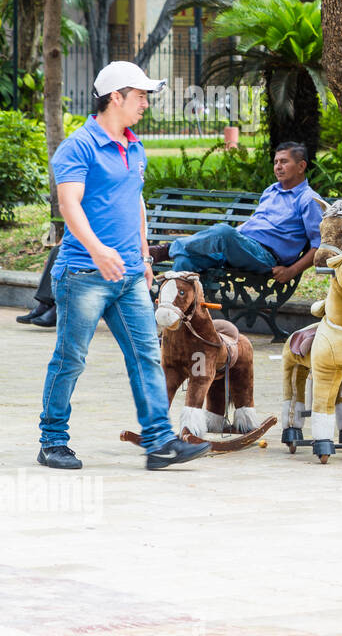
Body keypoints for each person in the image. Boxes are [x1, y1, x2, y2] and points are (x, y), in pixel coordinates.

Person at [37, 62, 210, 470]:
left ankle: (159, 443)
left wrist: (145, 256)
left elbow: (135, 202)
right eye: (141, 95)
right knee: (71, 358)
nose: (145, 104)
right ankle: (52, 441)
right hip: (83, 275)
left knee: (146, 356)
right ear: (116, 97)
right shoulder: (78, 146)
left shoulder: (134, 146)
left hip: (130, 275)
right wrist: (97, 249)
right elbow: (69, 204)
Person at [149, 142, 323, 281]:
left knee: (223, 232)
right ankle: (177, 319)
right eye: (276, 162)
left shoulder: (308, 199)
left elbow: (319, 244)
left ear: (301, 166)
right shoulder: (271, 190)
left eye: (284, 162)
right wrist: (235, 238)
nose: (278, 167)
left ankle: (165, 250)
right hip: (239, 247)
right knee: (184, 261)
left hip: (265, 257)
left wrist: (292, 271)